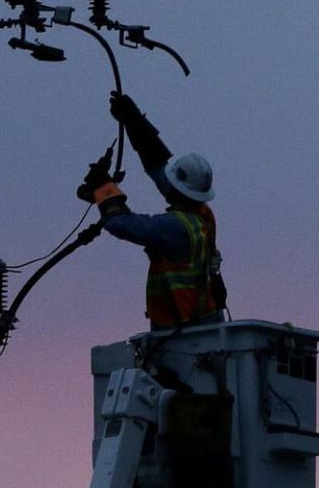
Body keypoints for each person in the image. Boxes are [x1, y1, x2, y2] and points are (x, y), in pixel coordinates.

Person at [78, 94, 226, 330]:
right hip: (203, 323)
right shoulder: (202, 216)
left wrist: (103, 188)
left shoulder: (175, 228)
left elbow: (120, 223)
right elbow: (156, 164)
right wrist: (134, 120)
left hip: (181, 332)